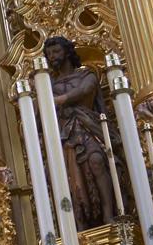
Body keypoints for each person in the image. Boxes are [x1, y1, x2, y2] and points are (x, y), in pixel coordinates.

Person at [43, 36, 122, 229]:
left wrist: (59, 100)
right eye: (49, 53)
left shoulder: (87, 75)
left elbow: (85, 90)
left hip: (88, 126)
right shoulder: (47, 85)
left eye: (56, 51)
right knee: (71, 178)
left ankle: (108, 214)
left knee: (96, 160)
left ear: (67, 52)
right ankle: (79, 223)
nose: (52, 56)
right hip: (64, 134)